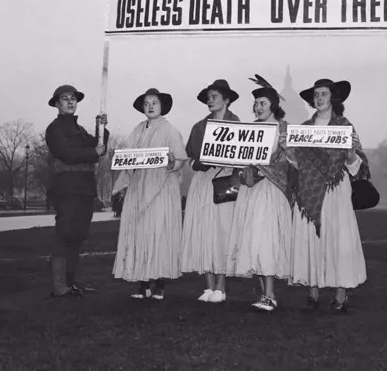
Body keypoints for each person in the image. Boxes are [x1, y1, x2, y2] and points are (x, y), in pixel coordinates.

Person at [284, 78, 370, 313]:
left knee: (337, 238)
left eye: (324, 94)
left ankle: (341, 293)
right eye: (316, 95)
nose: (319, 98)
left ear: (333, 98)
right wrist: (289, 151)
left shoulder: (344, 126)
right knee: (311, 237)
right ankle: (313, 290)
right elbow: (297, 164)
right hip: (310, 188)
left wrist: (351, 152)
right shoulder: (303, 128)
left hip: (336, 188)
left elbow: (358, 167)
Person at [112, 88, 188, 300]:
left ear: (162, 106)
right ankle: (142, 282)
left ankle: (160, 284)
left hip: (161, 187)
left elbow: (180, 159)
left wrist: (173, 162)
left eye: (154, 102)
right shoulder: (137, 130)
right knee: (139, 233)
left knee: (160, 232)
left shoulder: (170, 130)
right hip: (139, 186)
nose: (151, 106)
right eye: (147, 103)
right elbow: (126, 154)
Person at [225, 76, 293, 312]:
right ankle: (266, 294)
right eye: (256, 104)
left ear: (273, 105)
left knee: (267, 239)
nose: (258, 107)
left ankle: (270, 293)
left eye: (262, 103)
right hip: (252, 190)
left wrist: (264, 168)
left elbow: (289, 161)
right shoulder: (251, 129)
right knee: (254, 238)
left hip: (272, 191)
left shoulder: (283, 130)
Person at [45, 84, 109, 298]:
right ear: (56, 103)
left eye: (73, 98)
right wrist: (93, 152)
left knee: (78, 236)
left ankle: (71, 283)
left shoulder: (79, 130)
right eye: (65, 98)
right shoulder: (54, 129)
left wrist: (101, 128)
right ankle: (59, 285)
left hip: (84, 188)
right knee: (65, 235)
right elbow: (67, 153)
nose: (70, 102)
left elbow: (98, 147)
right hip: (67, 187)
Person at [180, 79, 241, 303]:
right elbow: (191, 160)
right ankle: (208, 286)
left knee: (222, 232)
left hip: (226, 181)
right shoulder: (199, 127)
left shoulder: (238, 126)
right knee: (203, 230)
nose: (210, 100)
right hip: (203, 183)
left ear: (226, 100)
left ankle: (221, 285)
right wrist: (199, 164)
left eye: (215, 96)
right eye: (208, 97)